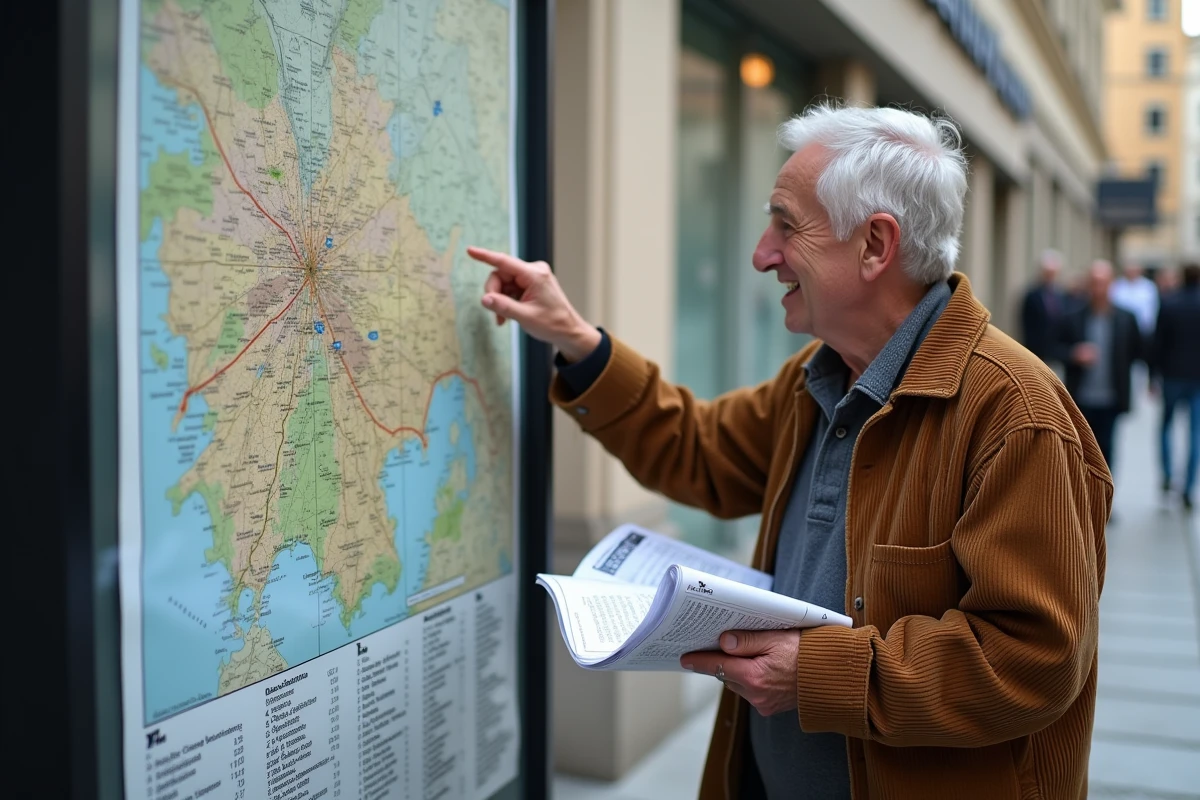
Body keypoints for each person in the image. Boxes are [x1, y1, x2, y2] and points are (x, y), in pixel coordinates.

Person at [470, 105, 1108, 799]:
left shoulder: (1016, 415)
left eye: (786, 224)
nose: (761, 253)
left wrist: (813, 674)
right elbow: (699, 449)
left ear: (874, 245)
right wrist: (576, 341)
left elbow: (1033, 660)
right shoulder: (819, 375)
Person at [1056, 260, 1143, 469]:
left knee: (1107, 449)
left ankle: (1105, 497)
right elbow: (1053, 347)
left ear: (1112, 284)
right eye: (1094, 282)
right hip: (1080, 396)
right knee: (1080, 451)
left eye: (1103, 282)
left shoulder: (1126, 318)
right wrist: (1073, 354)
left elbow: (1138, 351)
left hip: (1112, 396)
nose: (1098, 288)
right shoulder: (1072, 316)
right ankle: (1084, 497)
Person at [1153, 263, 1200, 510]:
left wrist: (1153, 375)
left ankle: (1168, 476)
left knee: (1166, 426)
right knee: (1195, 433)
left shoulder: (1169, 302)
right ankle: (1189, 487)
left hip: (1171, 375)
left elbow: (1157, 342)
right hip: (1197, 379)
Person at [1020, 249, 1068, 362]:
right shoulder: (1032, 296)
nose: (1050, 276)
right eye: (1048, 273)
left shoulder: (1062, 295)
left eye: (1053, 273)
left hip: (1057, 352)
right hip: (1037, 352)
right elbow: (1027, 327)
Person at [1109, 262, 1158, 338]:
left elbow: (1153, 308)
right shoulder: (1117, 285)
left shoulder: (1149, 286)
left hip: (1144, 331)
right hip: (1122, 329)